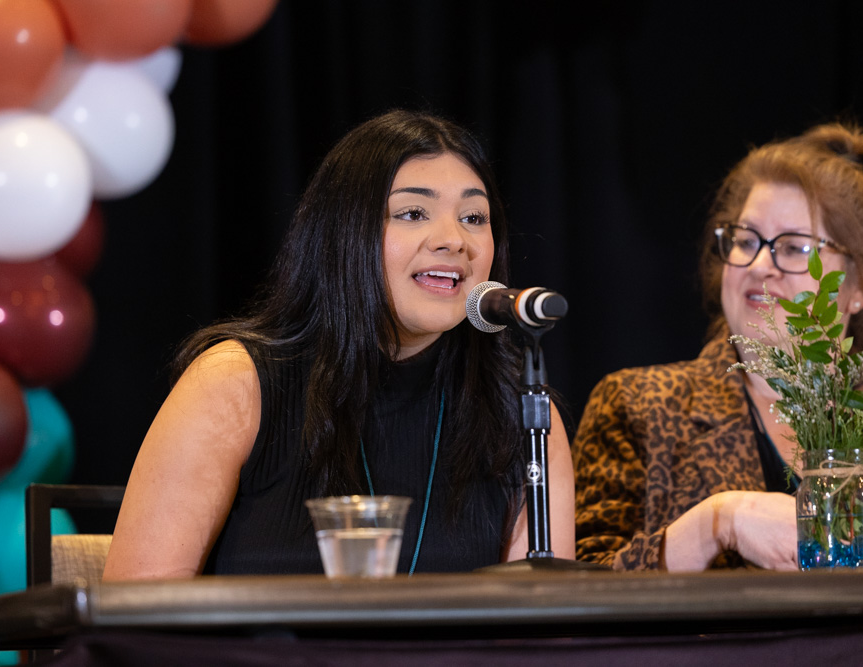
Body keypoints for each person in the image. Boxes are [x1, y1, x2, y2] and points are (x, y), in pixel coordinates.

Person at [103, 110, 575, 580]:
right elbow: (137, 607)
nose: (454, 241)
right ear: (344, 232)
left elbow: (544, 619)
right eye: (413, 213)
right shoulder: (234, 383)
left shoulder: (524, 415)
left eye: (473, 217)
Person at [573, 122, 863, 570]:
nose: (760, 264)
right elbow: (583, 588)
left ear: (861, 285)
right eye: (746, 241)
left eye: (793, 247)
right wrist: (719, 522)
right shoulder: (638, 407)